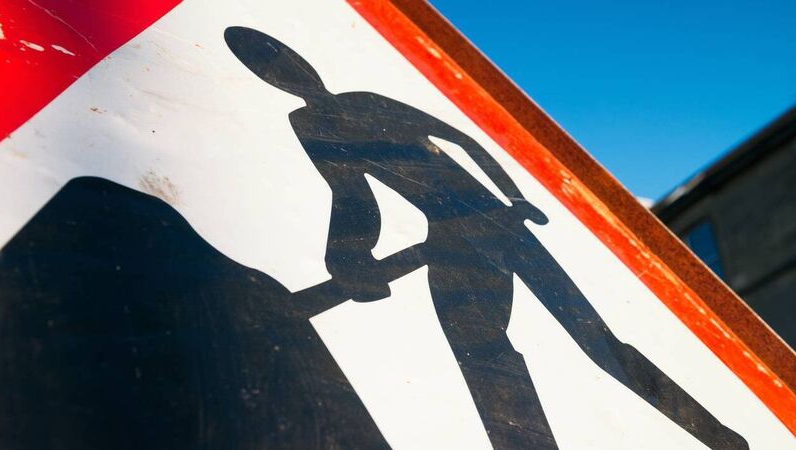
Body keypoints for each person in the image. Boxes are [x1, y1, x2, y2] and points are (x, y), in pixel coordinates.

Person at [224, 26, 748, 450]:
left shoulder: (365, 98)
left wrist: (513, 198)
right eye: (265, 65)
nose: (285, 71)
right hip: (447, 242)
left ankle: (721, 439)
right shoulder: (310, 124)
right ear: (265, 78)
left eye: (282, 56)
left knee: (598, 344)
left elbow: (461, 139)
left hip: (500, 225)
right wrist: (349, 254)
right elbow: (353, 196)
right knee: (484, 360)